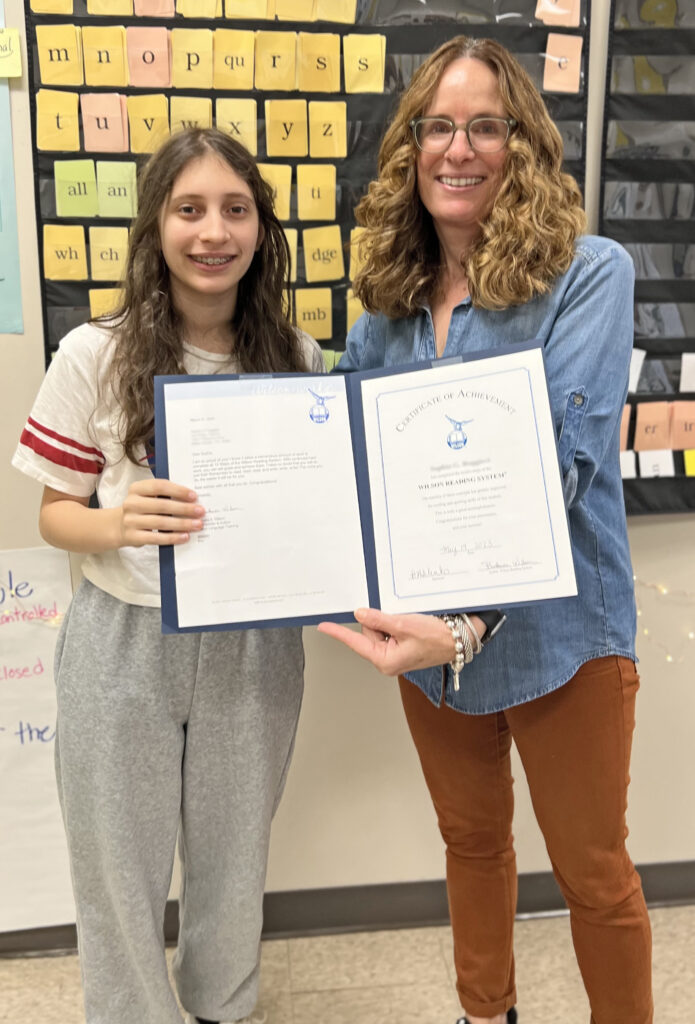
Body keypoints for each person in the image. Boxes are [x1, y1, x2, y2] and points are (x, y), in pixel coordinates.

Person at [318, 35, 652, 1024]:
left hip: (558, 637)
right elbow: (344, 452)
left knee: (591, 870)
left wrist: (464, 625)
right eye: (435, 127)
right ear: (410, 147)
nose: (455, 149)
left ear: (522, 145)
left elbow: (563, 461)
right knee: (470, 846)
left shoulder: (587, 273)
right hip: (426, 648)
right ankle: (484, 1014)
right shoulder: (386, 304)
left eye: (482, 127)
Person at [13, 128, 324, 1024]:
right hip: (121, 644)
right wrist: (115, 522)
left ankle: (223, 1011)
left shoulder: (296, 361)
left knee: (233, 863)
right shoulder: (93, 355)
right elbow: (52, 514)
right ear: (156, 225)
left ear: (261, 229)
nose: (212, 232)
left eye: (235, 210)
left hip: (254, 648)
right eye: (189, 210)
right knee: (117, 865)